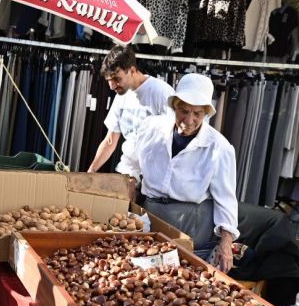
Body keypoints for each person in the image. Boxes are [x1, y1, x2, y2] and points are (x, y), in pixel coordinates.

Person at [120, 73, 239, 273]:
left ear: (206, 113)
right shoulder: (152, 128)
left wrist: (226, 243)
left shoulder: (219, 148)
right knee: (143, 274)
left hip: (190, 225)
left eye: (197, 114)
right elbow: (130, 162)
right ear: (174, 105)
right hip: (151, 216)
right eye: (184, 111)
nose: (189, 120)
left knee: (182, 277)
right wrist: (130, 184)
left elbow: (226, 200)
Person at [87, 44, 173, 173]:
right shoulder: (121, 95)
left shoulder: (161, 93)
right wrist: (90, 172)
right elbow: (110, 141)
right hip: (126, 170)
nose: (112, 86)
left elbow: (174, 140)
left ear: (132, 71)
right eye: (109, 80)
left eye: (117, 79)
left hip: (151, 177)